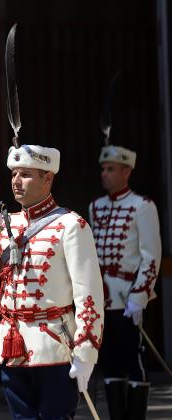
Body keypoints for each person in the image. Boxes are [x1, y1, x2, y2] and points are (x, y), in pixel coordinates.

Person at [0, 144, 104, 418]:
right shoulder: (6, 225)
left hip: (55, 345)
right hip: (11, 346)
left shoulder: (71, 225)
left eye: (26, 174)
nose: (16, 181)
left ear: (48, 178)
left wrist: (86, 352)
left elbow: (88, 294)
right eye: (14, 173)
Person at [89, 145, 162, 420]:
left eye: (111, 169)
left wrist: (139, 296)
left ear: (127, 172)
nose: (104, 174)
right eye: (103, 169)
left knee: (134, 361)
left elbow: (150, 257)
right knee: (110, 362)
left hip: (128, 296)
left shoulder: (142, 207)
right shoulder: (96, 207)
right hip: (104, 297)